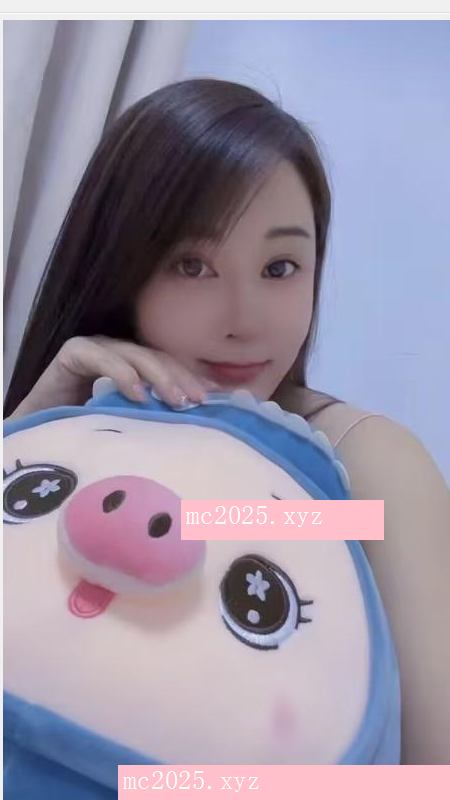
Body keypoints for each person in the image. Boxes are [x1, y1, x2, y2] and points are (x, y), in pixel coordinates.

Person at [3, 78, 449, 764]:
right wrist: (32, 425)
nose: (246, 320)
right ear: (118, 268)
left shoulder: (365, 462)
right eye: (192, 265)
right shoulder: (71, 423)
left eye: (280, 267)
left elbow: (433, 772)